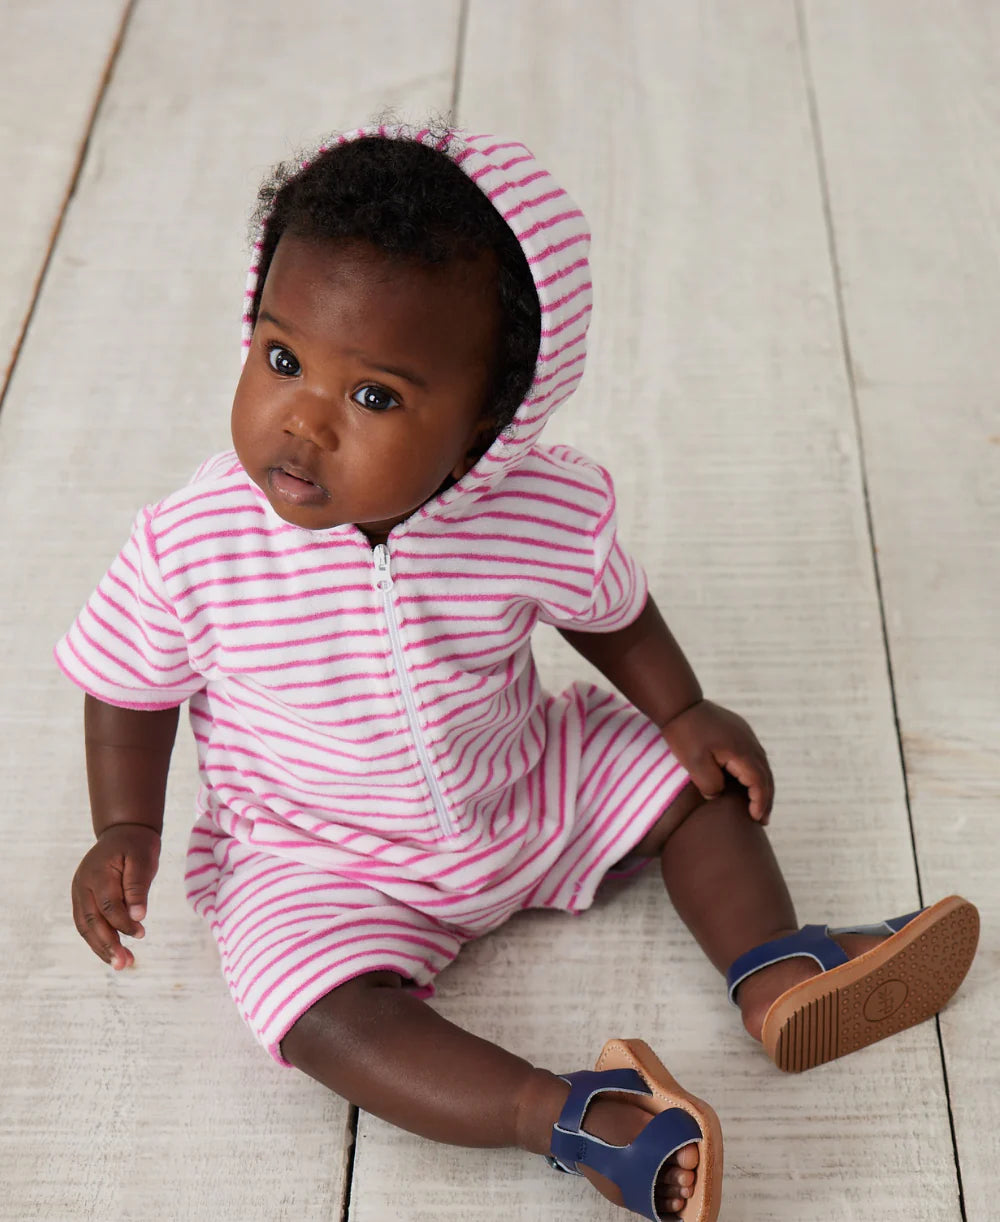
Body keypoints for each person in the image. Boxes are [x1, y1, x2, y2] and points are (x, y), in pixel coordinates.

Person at [57, 124, 979, 1222]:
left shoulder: (535, 508)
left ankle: (775, 972)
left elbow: (610, 614)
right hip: (318, 855)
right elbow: (129, 686)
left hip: (526, 783)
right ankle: (573, 1115)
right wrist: (127, 825)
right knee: (310, 1010)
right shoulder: (194, 541)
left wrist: (682, 709)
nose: (302, 420)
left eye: (375, 397)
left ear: (485, 425)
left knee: (696, 784)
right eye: (283, 359)